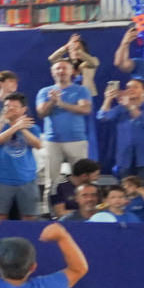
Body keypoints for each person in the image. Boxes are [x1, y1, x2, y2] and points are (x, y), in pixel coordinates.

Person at [35, 60, 94, 195]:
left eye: (64, 68)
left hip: (76, 140)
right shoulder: (45, 92)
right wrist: (52, 102)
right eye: (58, 68)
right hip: (52, 141)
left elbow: (85, 109)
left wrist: (61, 104)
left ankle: (81, 205)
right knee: (51, 182)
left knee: (82, 180)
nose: (61, 71)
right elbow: (41, 113)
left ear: (72, 71)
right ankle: (50, 207)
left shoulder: (81, 90)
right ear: (52, 72)